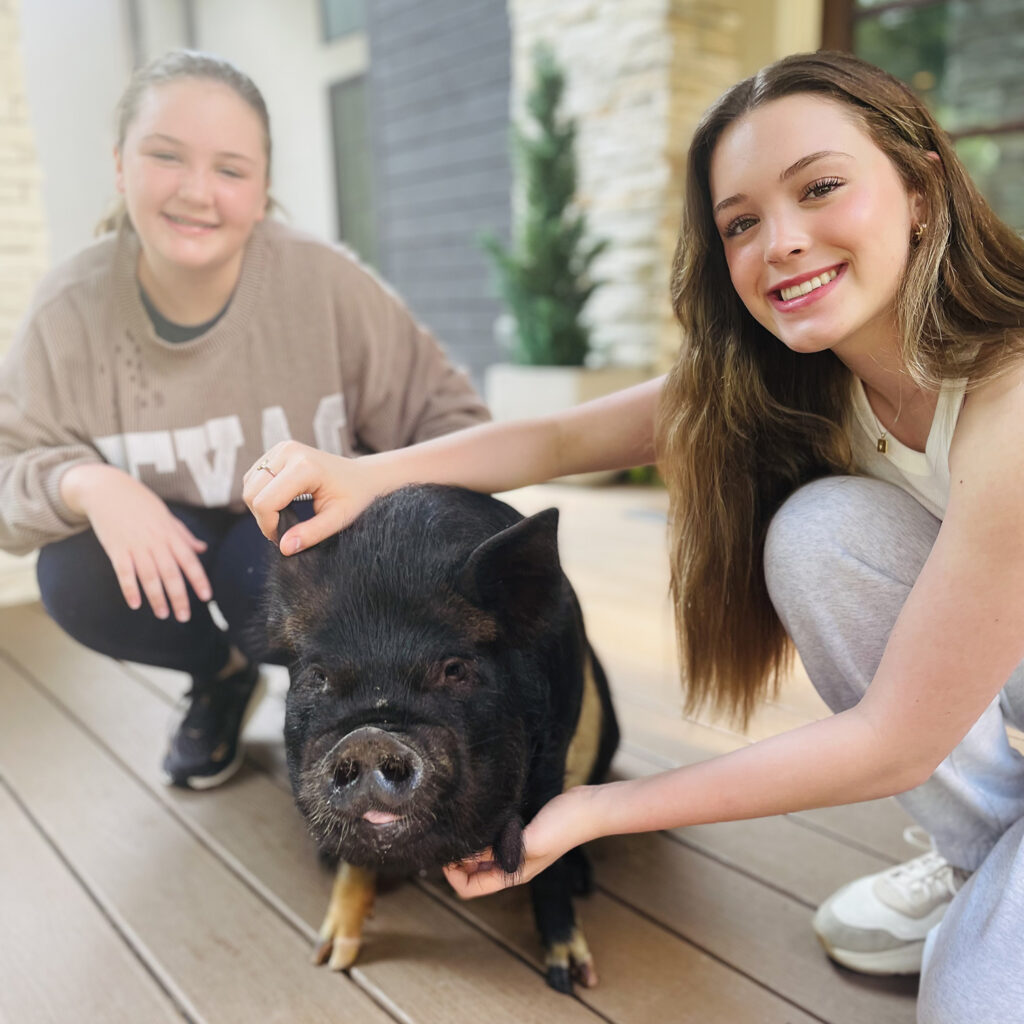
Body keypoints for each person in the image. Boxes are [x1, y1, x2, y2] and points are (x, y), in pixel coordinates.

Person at [242, 51, 1024, 1022]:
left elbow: (894, 741)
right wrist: (365, 471)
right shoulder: (802, 370)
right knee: (821, 533)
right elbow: (563, 435)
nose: (781, 242)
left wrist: (591, 807)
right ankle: (985, 858)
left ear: (919, 189)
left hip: (948, 705)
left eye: (819, 186)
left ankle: (994, 883)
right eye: (740, 221)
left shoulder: (1010, 399)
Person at [0, 50, 488, 791]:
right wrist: (89, 483)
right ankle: (221, 676)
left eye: (230, 169)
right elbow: (9, 465)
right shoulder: (70, 308)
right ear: (121, 165)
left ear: (262, 190)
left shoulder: (324, 284)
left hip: (319, 560)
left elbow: (458, 424)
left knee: (259, 567)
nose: (199, 192)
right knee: (70, 571)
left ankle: (355, 715)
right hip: (188, 557)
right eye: (167, 156)